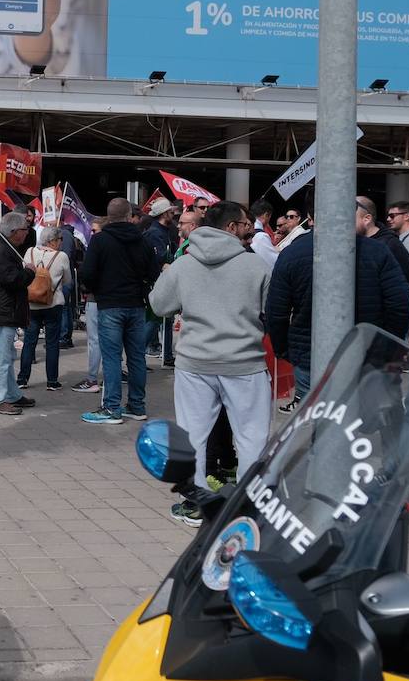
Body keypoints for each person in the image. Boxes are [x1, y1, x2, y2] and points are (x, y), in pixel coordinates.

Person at [149, 201, 272, 527]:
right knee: (251, 438)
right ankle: (246, 509)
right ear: (231, 227)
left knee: (193, 436)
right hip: (245, 363)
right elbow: (272, 308)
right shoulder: (256, 265)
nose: (250, 229)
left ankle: (195, 504)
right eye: (246, 224)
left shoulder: (183, 264)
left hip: (195, 362)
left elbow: (159, 305)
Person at [266, 218, 409, 413]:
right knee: (368, 424)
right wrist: (387, 347)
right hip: (362, 354)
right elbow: (401, 303)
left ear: (310, 218)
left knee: (323, 422)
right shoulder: (376, 250)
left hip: (314, 358)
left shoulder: (292, 253)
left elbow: (276, 312)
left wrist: (285, 350)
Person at [80, 198, 157, 425]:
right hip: (136, 305)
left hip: (109, 305)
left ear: (109, 215)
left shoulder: (100, 240)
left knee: (112, 357)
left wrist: (98, 290)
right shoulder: (142, 240)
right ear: (128, 215)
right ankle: (136, 405)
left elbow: (87, 273)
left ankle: (111, 408)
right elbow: (153, 273)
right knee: (136, 357)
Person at [0, 212, 35, 416]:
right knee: (1, 358)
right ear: (14, 232)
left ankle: (12, 394)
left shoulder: (5, 248)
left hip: (3, 310)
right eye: (24, 229)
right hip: (2, 310)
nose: (27, 233)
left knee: (7, 356)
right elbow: (12, 280)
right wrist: (29, 272)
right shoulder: (1, 250)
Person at [17, 226, 71, 392]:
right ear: (53, 241)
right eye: (60, 239)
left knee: (29, 341)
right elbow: (67, 279)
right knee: (52, 343)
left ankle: (22, 378)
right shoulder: (61, 256)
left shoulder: (30, 252)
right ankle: (52, 381)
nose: (62, 243)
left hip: (31, 303)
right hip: (52, 304)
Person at [72, 217, 106, 395]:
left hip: (97, 298)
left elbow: (87, 272)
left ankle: (93, 378)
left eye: (94, 230)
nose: (91, 233)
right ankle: (109, 376)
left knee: (95, 340)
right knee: (111, 341)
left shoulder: (98, 247)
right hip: (113, 300)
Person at [143, 198, 176, 363]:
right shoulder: (155, 233)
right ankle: (138, 353)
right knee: (154, 318)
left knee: (162, 319)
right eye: (171, 212)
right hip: (157, 283)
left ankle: (167, 355)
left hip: (161, 282)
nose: (174, 214)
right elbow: (161, 261)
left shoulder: (163, 231)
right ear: (164, 214)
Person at [357, 195, 409, 283]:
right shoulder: (353, 243)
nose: (388, 219)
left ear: (367, 219)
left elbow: (403, 283)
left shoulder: (390, 244)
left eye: (392, 215)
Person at [249, 199, 278, 267]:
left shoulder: (249, 231)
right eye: (270, 217)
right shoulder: (260, 236)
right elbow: (274, 263)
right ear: (266, 215)